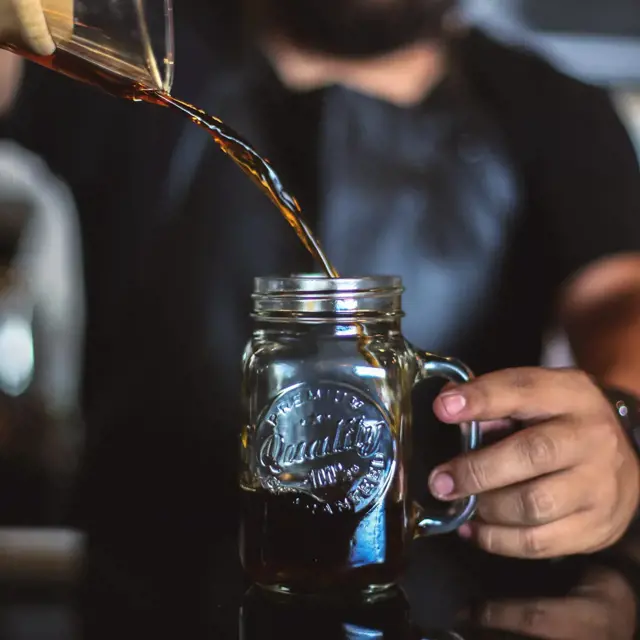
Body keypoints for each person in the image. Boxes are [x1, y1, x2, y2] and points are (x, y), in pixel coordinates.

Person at [4, 0, 640, 567]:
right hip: (139, 580)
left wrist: (619, 417)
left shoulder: (551, 107)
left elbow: (621, 298)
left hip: (452, 581)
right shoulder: (136, 50)